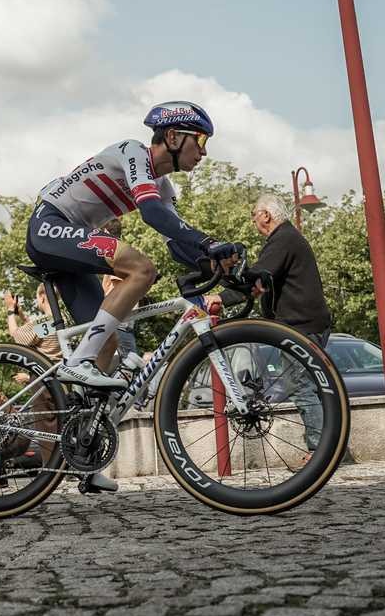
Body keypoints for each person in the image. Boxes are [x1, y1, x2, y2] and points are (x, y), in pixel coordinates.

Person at [26, 102, 241, 492]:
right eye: (202, 140)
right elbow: (152, 215)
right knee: (140, 268)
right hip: (50, 227)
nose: (205, 151)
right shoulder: (133, 153)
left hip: (73, 241)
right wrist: (208, 243)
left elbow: (177, 236)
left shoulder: (162, 186)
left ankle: (80, 451)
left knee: (107, 339)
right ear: (173, 138)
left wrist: (217, 261)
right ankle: (79, 366)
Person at [249, 193, 334, 469]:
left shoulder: (282, 239)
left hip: (300, 326)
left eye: (254, 215)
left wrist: (225, 296)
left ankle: (318, 452)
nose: (253, 221)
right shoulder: (288, 237)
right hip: (311, 322)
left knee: (302, 387)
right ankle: (329, 447)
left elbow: (261, 274)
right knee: (316, 386)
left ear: (266, 215)